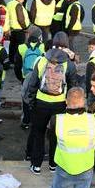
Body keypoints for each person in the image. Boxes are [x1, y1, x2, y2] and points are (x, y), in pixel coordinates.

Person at [26, 37, 77, 174]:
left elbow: (32, 84)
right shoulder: (69, 64)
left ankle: (36, 165)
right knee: (56, 135)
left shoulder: (42, 60)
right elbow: (72, 87)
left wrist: (31, 101)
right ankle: (53, 165)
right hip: (59, 105)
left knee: (38, 133)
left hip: (41, 103)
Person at [48, 87, 95, 188]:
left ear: (66, 101)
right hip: (86, 168)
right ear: (83, 101)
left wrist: (54, 162)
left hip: (63, 167)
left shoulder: (56, 119)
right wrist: (94, 164)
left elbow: (52, 142)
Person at [14, 25, 45, 130]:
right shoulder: (43, 47)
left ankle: (26, 121)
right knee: (37, 98)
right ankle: (36, 120)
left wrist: (20, 78)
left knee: (26, 99)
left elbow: (17, 66)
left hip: (26, 77)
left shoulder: (21, 47)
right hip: (38, 78)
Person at [7, 0, 30, 64]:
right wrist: (25, 28)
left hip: (11, 28)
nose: (23, 1)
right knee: (19, 47)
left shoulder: (9, 3)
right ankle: (18, 62)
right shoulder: (18, 5)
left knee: (12, 46)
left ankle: (11, 60)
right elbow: (20, 19)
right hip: (19, 29)